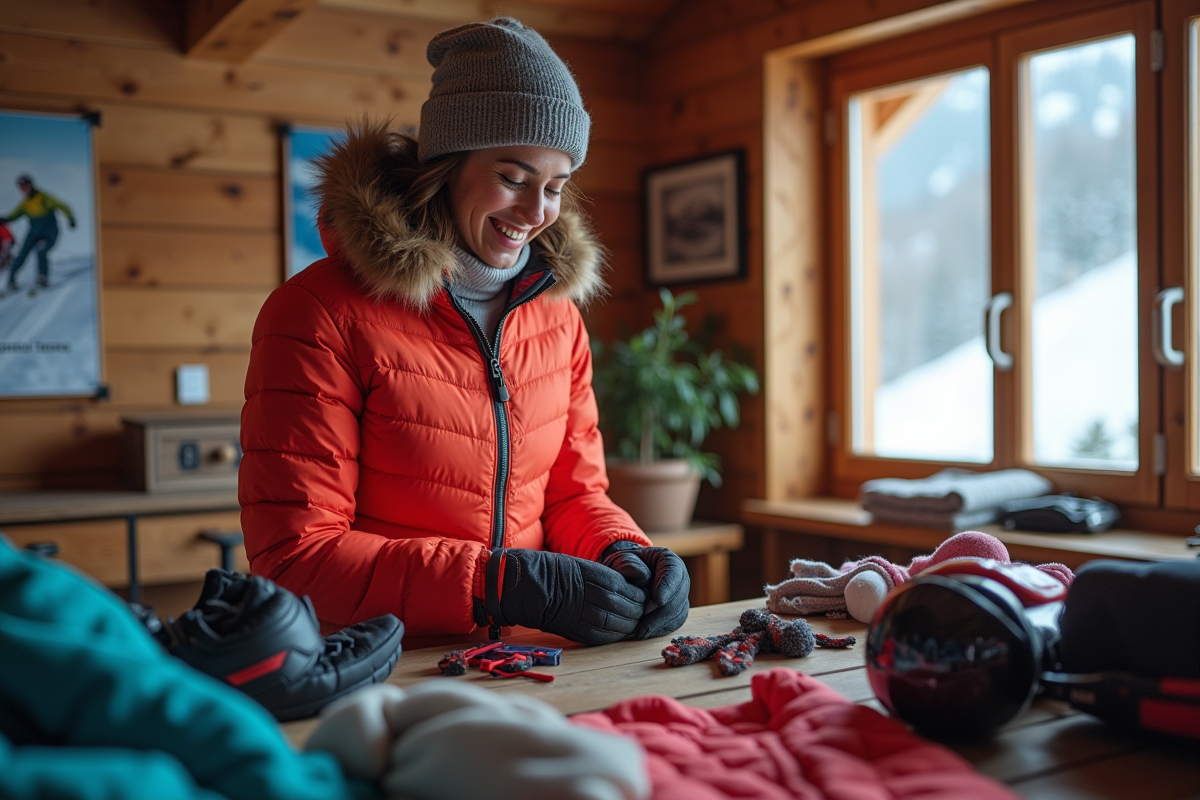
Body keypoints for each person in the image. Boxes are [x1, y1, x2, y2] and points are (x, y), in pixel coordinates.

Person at [240, 18, 690, 645]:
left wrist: (624, 551)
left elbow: (572, 496)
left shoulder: (557, 318)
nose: (537, 214)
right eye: (513, 178)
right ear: (447, 164)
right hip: (377, 666)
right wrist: (494, 586)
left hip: (529, 668)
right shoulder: (318, 314)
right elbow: (295, 559)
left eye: (555, 188)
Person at [2, 174, 76, 296]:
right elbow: (15, 214)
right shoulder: (26, 203)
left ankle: (42, 278)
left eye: (25, 185)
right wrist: (5, 219)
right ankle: (11, 280)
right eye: (21, 187)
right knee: (23, 253)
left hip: (50, 232)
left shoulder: (43, 198)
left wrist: (70, 218)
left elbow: (62, 205)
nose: (23, 189)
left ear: (31, 185)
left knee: (41, 251)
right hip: (34, 232)